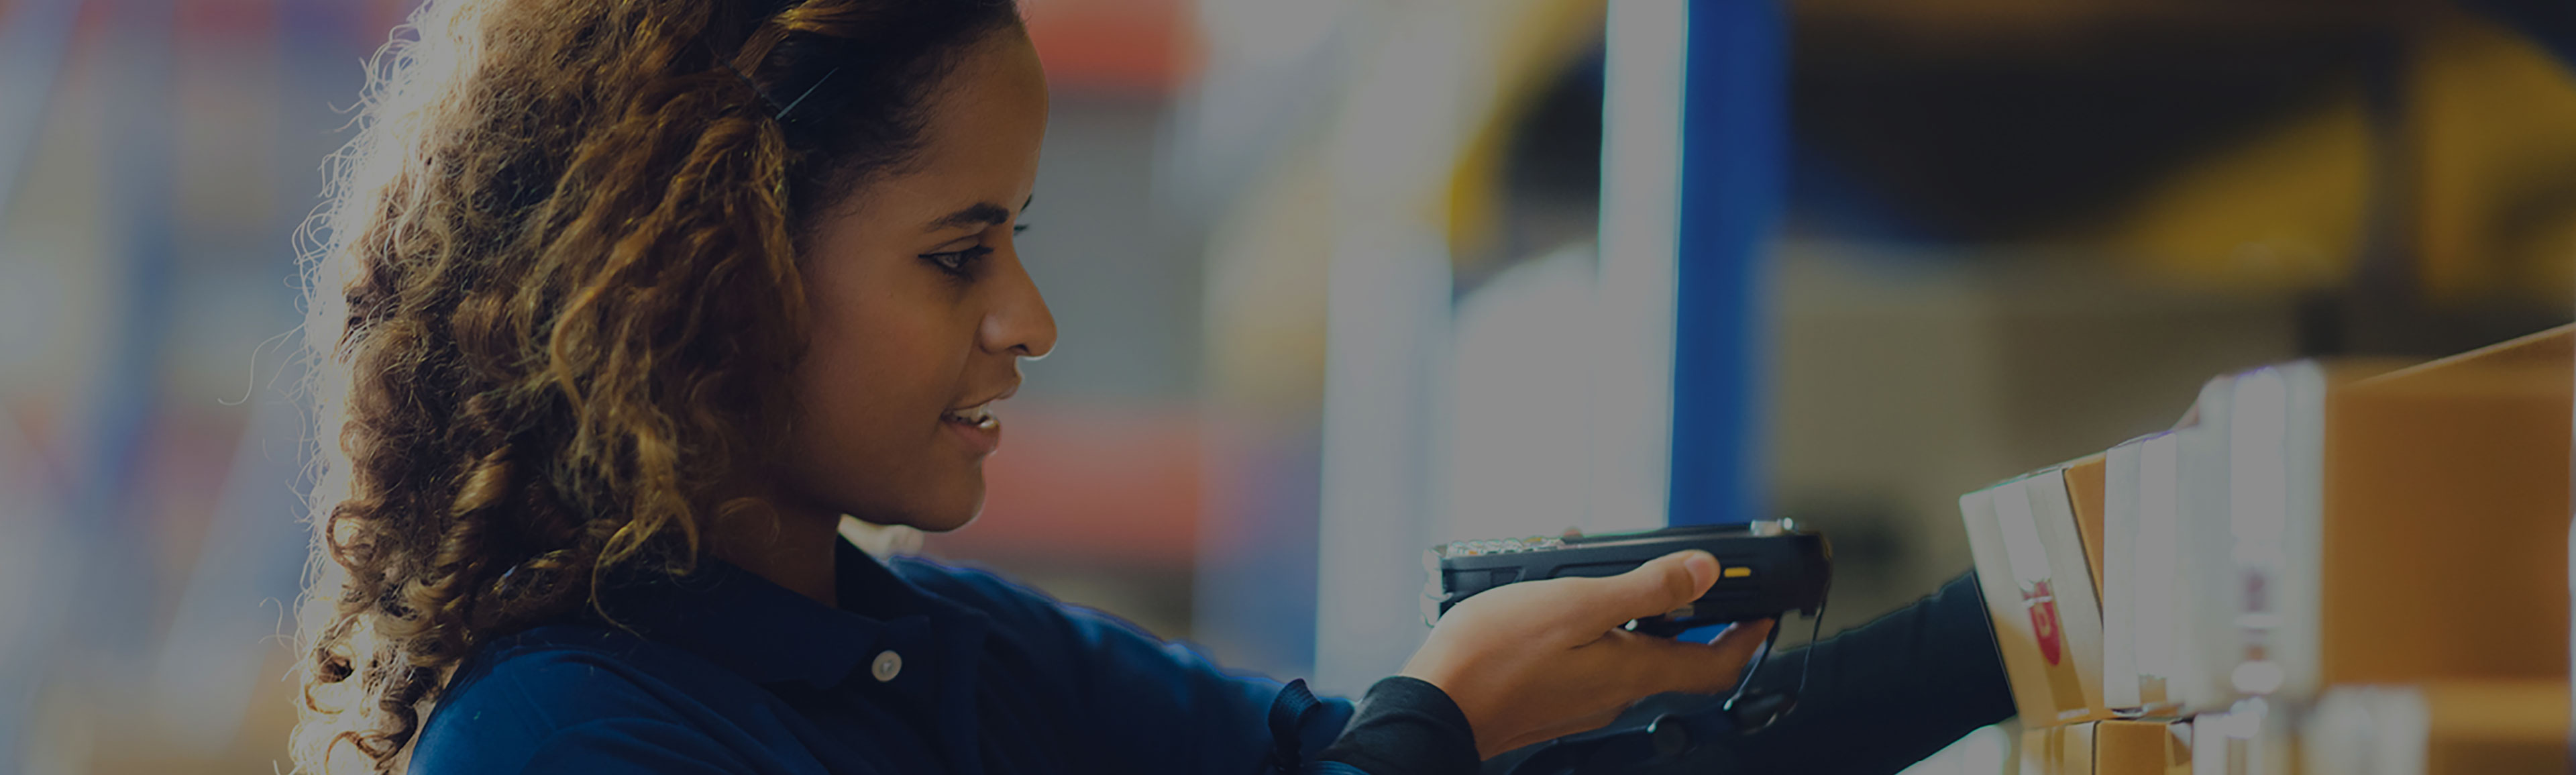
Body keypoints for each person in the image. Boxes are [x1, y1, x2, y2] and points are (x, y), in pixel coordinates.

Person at [286, 1, 2008, 774]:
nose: (1029, 317)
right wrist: (1438, 719)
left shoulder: (941, 660)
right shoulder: (569, 746)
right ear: (706, 265)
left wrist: (2036, 615)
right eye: (960, 252)